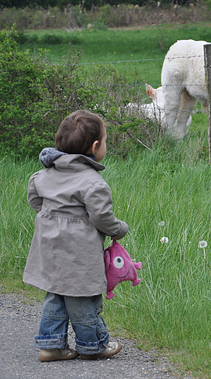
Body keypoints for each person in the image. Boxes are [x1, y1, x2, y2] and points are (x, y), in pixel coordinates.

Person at [23, 110, 129, 362]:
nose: (105, 145)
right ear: (94, 147)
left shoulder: (42, 175)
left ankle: (51, 345)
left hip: (48, 246)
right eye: (104, 141)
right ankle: (92, 344)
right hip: (78, 251)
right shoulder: (93, 183)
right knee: (83, 296)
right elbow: (101, 217)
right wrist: (118, 229)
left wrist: (53, 219)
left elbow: (34, 200)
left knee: (56, 292)